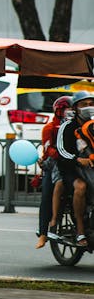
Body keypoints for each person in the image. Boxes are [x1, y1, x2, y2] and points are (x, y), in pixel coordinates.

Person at [56, 91, 94, 247]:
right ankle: (80, 230)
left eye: (91, 104)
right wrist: (77, 160)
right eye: (84, 105)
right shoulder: (67, 126)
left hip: (91, 166)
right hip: (71, 168)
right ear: (75, 108)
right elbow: (61, 151)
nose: (89, 107)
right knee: (81, 187)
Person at [35, 96, 72, 248]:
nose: (67, 112)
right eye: (64, 109)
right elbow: (47, 149)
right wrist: (60, 154)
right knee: (46, 195)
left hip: (73, 162)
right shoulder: (49, 128)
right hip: (53, 164)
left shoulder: (76, 126)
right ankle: (44, 232)